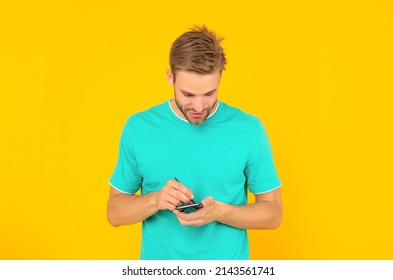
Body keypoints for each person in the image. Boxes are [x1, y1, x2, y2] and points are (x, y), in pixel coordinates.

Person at [107, 25, 283, 260]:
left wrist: (222, 212)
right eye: (188, 94)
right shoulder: (139, 128)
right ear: (170, 77)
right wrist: (155, 200)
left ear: (220, 77)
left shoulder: (249, 129)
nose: (199, 107)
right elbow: (114, 213)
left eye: (209, 93)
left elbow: (273, 214)